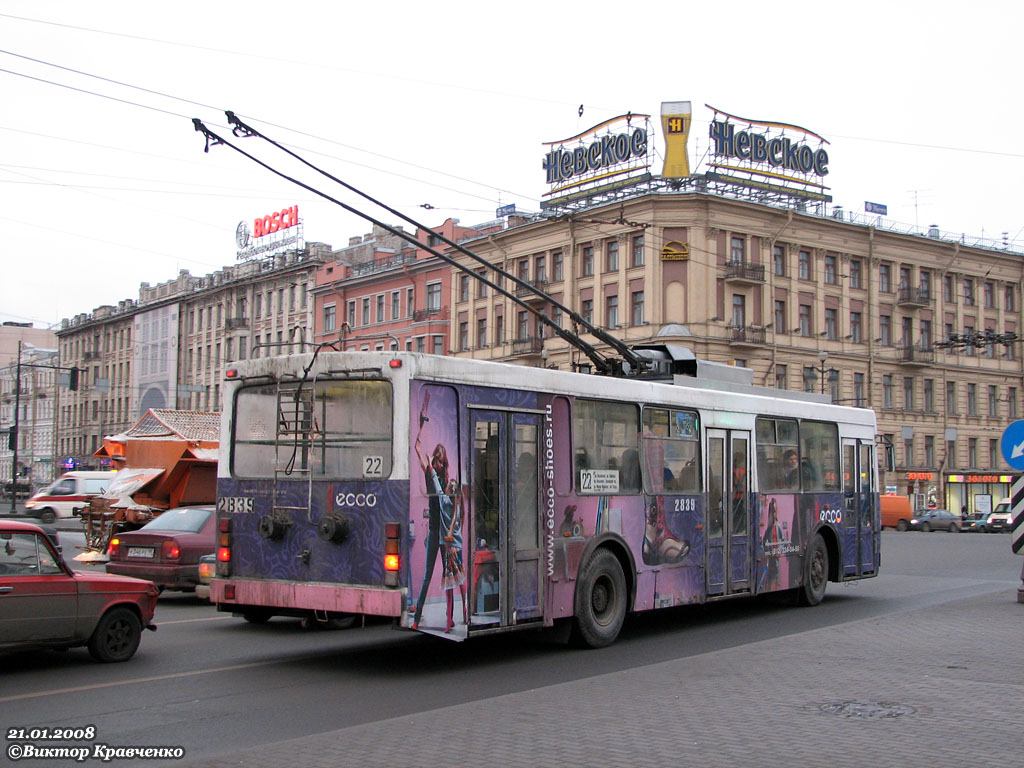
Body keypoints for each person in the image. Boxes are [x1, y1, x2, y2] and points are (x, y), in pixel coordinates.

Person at [411, 414, 449, 630]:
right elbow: (418, 449)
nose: (437, 464)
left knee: (438, 575)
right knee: (440, 574)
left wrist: (420, 429)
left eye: (438, 460)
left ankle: (423, 619)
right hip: (440, 531)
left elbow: (417, 448)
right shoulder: (437, 476)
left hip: (439, 531)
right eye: (437, 460)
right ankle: (440, 617)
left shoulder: (434, 475)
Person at [439, 477, 467, 633]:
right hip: (455, 544)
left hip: (451, 545)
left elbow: (454, 520)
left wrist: (449, 536)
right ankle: (461, 609)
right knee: (458, 578)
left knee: (451, 580)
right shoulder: (455, 504)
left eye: (450, 485)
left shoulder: (447, 502)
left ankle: (450, 618)